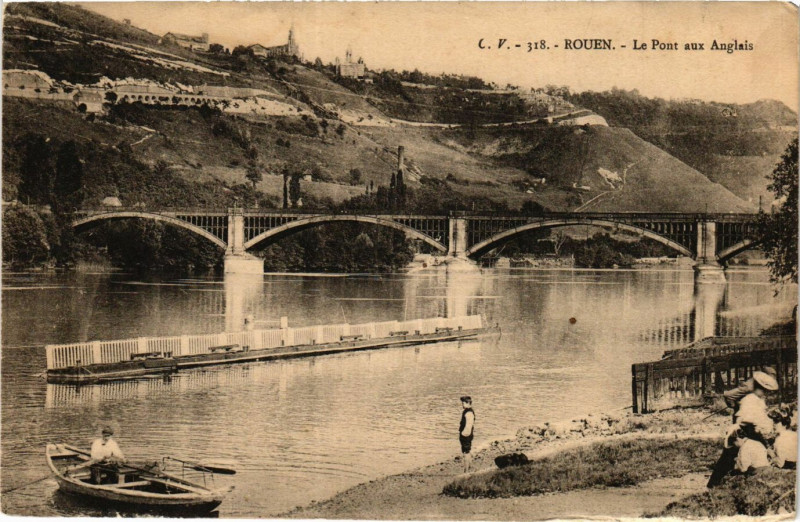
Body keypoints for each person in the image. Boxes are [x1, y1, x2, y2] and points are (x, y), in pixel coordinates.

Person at [707, 371, 778, 488]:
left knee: (733, 458)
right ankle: (713, 484)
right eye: (764, 390)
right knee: (728, 458)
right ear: (758, 388)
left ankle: (721, 483)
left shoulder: (757, 400)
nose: (765, 394)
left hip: (748, 432)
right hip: (742, 433)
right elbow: (749, 424)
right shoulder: (749, 400)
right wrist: (763, 442)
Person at [458, 396, 475, 473]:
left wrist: (463, 434)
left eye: (463, 403)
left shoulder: (469, 413)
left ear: (468, 403)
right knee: (467, 451)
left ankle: (466, 471)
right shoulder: (467, 411)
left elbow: (469, 425)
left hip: (466, 436)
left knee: (466, 452)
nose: (462, 405)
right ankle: (470, 467)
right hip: (467, 435)